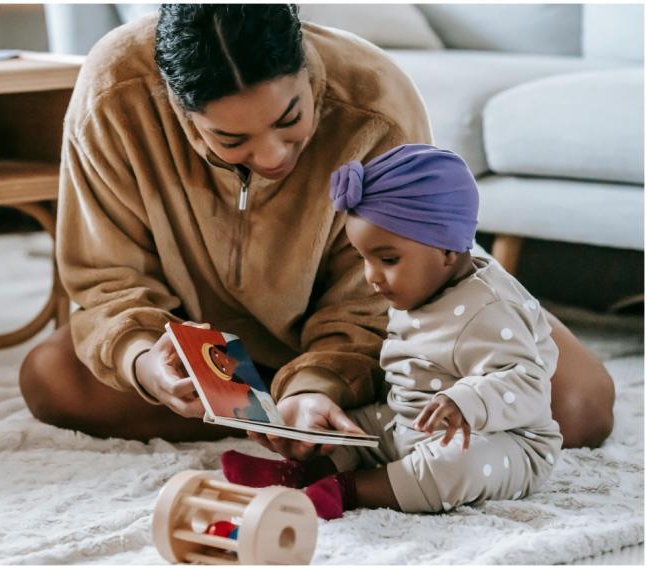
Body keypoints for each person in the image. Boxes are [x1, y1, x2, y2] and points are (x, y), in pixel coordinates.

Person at [18, 5, 614, 451]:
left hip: (382, 334)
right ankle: (310, 415)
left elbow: (382, 295)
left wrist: (321, 384)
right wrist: (145, 362)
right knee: (51, 380)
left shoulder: (374, 99)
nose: (273, 155)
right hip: (207, 337)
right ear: (177, 104)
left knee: (577, 405)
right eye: (230, 140)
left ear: (306, 64)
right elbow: (106, 278)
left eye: (290, 119)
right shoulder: (115, 93)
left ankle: (311, 408)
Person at [221, 145, 562, 518]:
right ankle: (300, 473)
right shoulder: (419, 287)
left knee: (452, 467)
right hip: (409, 420)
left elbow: (529, 383)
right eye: (363, 258)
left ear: (447, 250)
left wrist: (466, 401)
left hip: (501, 440)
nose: (371, 277)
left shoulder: (491, 308)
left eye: (387, 260)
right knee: (352, 429)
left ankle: (347, 491)